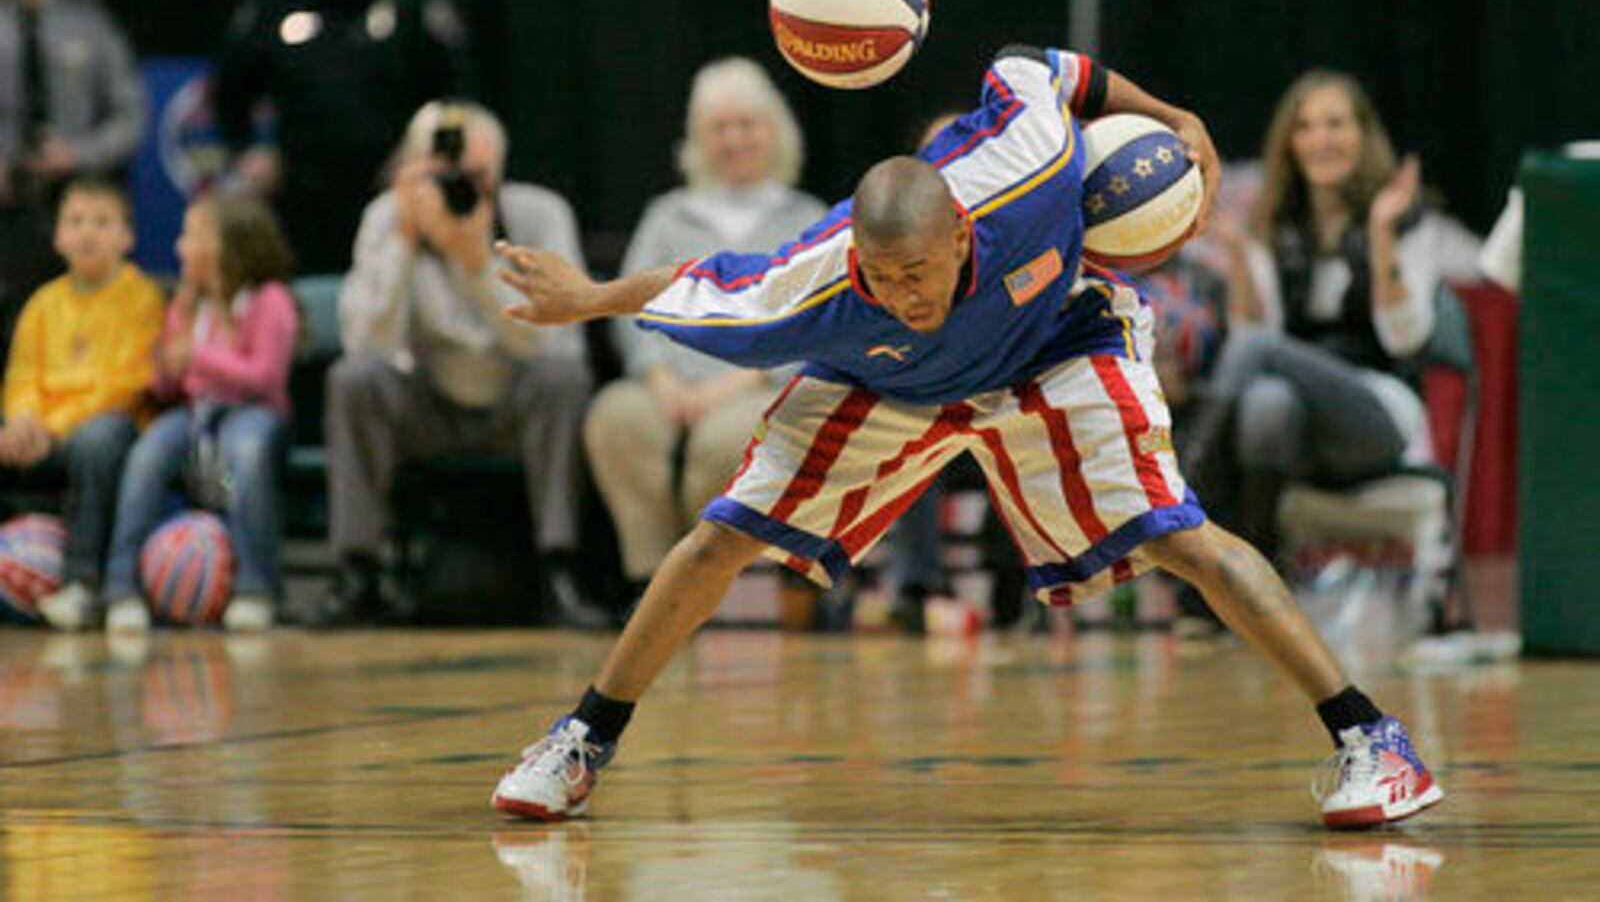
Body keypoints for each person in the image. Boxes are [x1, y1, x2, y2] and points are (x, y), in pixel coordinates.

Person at [488, 45, 1443, 831]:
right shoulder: (818, 282)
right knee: (723, 535)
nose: (902, 292)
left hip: (1055, 347)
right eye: (881, 276)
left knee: (1178, 536)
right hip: (888, 381)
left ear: (959, 238)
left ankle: (1372, 741)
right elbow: (691, 278)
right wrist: (584, 298)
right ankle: (582, 740)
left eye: (916, 273)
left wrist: (1176, 112)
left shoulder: (1028, 163)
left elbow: (1051, 68)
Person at [318, 101, 599, 628]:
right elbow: (367, 343)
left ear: (500, 169)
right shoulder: (387, 215)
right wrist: (404, 240)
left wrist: (476, 267)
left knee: (563, 381)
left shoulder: (541, 214)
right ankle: (355, 572)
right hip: (426, 405)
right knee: (352, 380)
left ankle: (559, 571)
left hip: (517, 402)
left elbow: (561, 346)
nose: (461, 189)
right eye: (447, 176)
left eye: (477, 176)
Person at [583, 58, 826, 605]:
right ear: (699, 139)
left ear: (774, 133)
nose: (734, 139)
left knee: (728, 440)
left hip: (758, 387)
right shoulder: (667, 216)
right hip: (668, 385)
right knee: (615, 417)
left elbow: (815, 324)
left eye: (747, 125)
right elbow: (632, 308)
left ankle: (696, 576)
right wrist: (660, 378)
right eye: (720, 127)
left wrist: (739, 385)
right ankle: (648, 582)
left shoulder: (807, 217)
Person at [1181, 71, 1448, 557]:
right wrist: (1240, 256)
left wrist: (1381, 235)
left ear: (1363, 136)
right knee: (1266, 401)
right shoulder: (1276, 225)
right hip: (1300, 418)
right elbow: (1252, 336)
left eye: (1335, 124)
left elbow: (1405, 339)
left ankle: (1186, 490)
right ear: (1289, 143)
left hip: (1378, 413)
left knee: (1261, 363)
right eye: (1305, 127)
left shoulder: (1404, 216)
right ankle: (1257, 572)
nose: (1320, 139)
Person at [213, 0, 475, 275]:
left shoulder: (412, 5)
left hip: (398, 189)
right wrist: (247, 151)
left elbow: (460, 94)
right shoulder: (269, 11)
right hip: (302, 197)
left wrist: (429, 153)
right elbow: (227, 94)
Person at [102, 194, 300, 633]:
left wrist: (198, 356)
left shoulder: (270, 300)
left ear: (226, 246)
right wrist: (163, 371)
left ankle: (257, 586)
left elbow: (265, 377)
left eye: (190, 236)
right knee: (148, 453)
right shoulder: (188, 304)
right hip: (196, 412)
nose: (179, 247)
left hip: (255, 412)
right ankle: (120, 587)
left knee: (245, 452)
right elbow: (176, 385)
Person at [2, 180, 163, 630]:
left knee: (96, 439)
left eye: (101, 222)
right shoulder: (43, 303)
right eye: (75, 222)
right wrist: (23, 421)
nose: (87, 234)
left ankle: (83, 584)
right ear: (57, 236)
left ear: (127, 237)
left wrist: (52, 427)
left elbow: (127, 382)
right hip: (42, 431)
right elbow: (21, 376)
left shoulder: (142, 298)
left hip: (111, 429)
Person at [0, 0, 146, 357]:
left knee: (89, 314)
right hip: (7, 204)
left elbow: (131, 117)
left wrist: (78, 154)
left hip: (79, 198)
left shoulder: (91, 30)